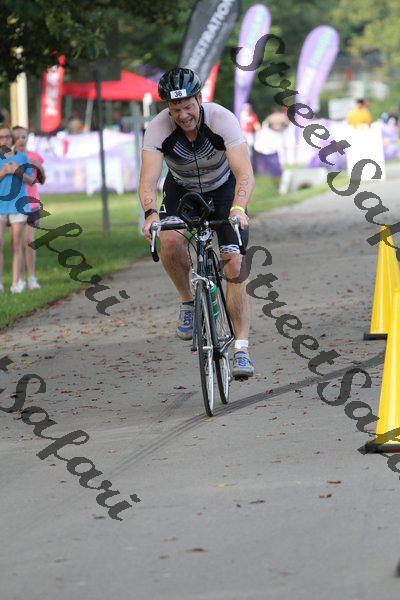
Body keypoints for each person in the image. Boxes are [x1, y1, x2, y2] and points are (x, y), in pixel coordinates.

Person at [139, 68, 255, 378]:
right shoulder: (158, 128)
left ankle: (241, 348)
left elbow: (244, 172)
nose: (183, 115)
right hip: (182, 190)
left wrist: (238, 208)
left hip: (224, 189)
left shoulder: (222, 120)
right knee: (169, 238)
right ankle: (189, 302)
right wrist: (151, 214)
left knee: (234, 263)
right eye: (175, 109)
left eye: (188, 106)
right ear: (168, 108)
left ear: (200, 99)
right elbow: (148, 180)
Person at [0, 125, 35, 293]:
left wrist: (17, 171)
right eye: (1, 137)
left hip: (18, 205)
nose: (4, 140)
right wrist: (3, 172)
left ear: (11, 139)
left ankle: (16, 284)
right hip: (1, 206)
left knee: (16, 245)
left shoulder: (21, 157)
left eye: (7, 136)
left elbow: (31, 181)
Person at [12, 125, 45, 290]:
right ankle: (19, 279)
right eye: (17, 137)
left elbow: (41, 179)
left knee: (29, 240)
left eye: (23, 137)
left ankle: (32, 277)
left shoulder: (33, 156)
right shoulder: (9, 158)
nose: (21, 140)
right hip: (14, 205)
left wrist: (38, 166)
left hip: (32, 204)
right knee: (16, 242)